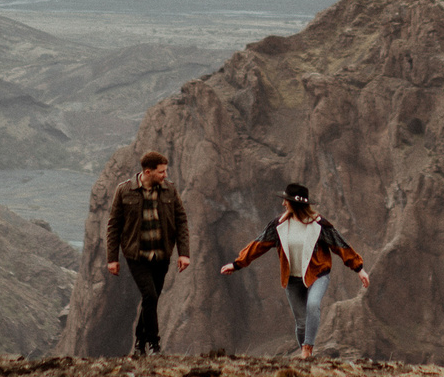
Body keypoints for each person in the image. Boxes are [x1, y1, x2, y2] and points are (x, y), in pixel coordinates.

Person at [221, 181, 368, 360]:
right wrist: (237, 264)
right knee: (300, 323)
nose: (283, 204)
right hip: (292, 279)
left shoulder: (319, 225)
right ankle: (306, 358)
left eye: (286, 201)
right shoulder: (279, 226)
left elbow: (340, 245)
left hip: (318, 274)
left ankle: (307, 350)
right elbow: (258, 245)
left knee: (313, 305)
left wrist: (359, 268)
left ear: (295, 203)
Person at [103, 149, 190, 356]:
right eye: (161, 172)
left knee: (151, 299)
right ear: (148, 172)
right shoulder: (124, 191)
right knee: (150, 295)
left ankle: (139, 345)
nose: (165, 175)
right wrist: (112, 259)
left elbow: (181, 221)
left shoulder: (169, 190)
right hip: (137, 256)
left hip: (161, 255)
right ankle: (154, 343)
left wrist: (183, 253)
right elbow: (113, 226)